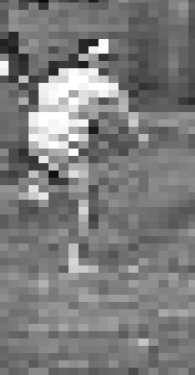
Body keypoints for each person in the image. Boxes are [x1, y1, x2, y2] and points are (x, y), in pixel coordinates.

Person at [26, 38, 145, 274]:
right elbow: (123, 118)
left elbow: (43, 101)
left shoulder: (59, 76)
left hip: (38, 136)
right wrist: (137, 137)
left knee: (60, 177)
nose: (107, 62)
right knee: (85, 201)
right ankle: (75, 260)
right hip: (65, 140)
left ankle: (41, 187)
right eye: (105, 58)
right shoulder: (104, 84)